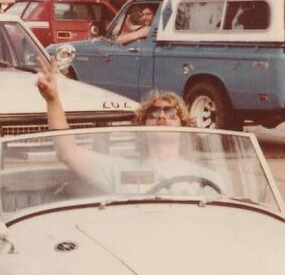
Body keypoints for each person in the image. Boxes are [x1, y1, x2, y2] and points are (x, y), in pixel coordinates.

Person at [35, 58, 222, 195]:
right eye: (154, 113)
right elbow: (68, 153)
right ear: (142, 128)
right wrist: (53, 100)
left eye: (172, 113)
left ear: (184, 128)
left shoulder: (206, 177)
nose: (162, 116)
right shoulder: (120, 169)